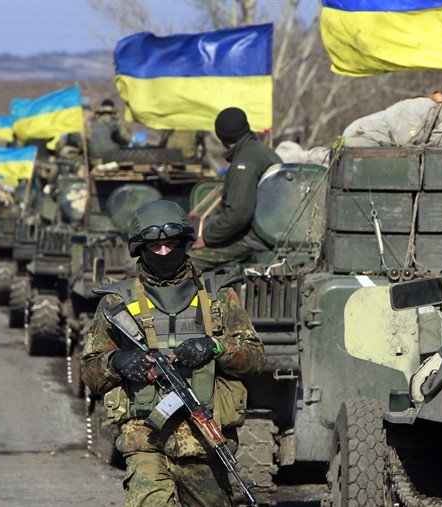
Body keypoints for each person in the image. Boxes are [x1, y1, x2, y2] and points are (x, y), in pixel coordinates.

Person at [81, 199, 265, 506]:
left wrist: (214, 347)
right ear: (140, 249)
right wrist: (118, 361)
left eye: (172, 244)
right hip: (145, 442)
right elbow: (90, 371)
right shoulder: (117, 302)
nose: (165, 252)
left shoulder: (218, 296)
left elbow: (255, 358)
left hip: (204, 443)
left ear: (184, 243)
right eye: (155, 246)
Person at [189, 107, 282, 271]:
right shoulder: (262, 152)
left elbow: (239, 213)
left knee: (187, 262)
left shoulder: (245, 162)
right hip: (268, 228)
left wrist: (207, 238)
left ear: (222, 137)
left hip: (253, 236)